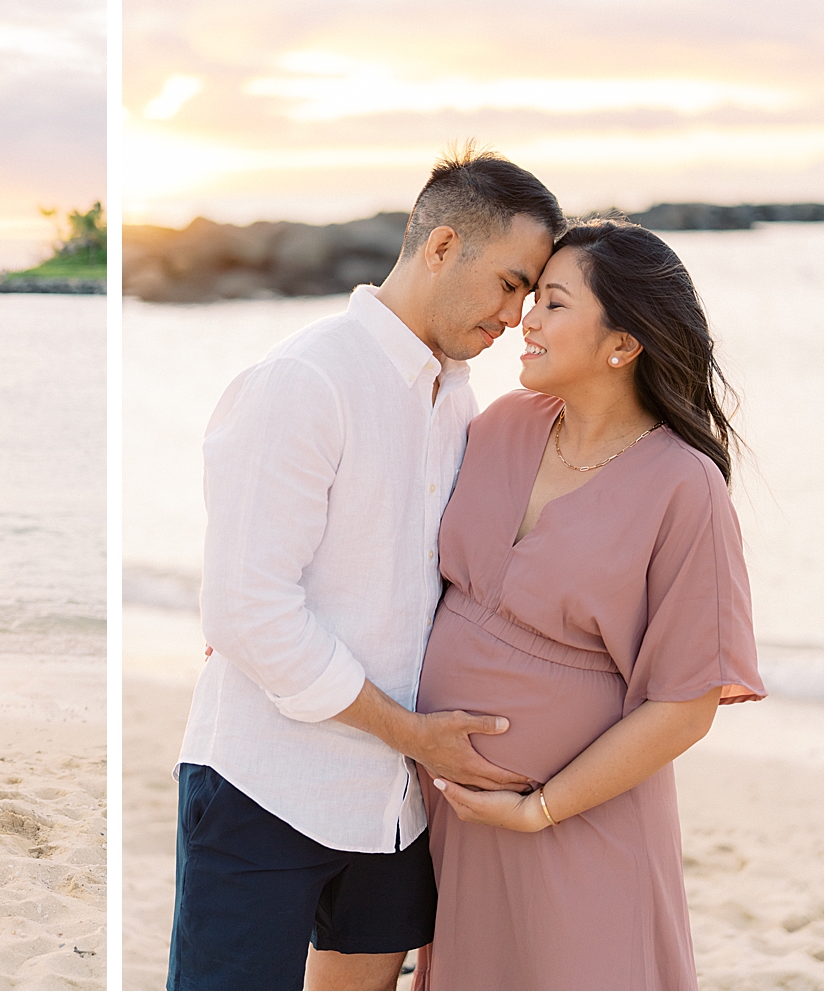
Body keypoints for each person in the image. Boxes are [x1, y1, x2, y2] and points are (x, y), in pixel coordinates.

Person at [167, 148, 566, 991]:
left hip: (392, 803)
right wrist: (410, 733)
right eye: (509, 283)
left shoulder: (457, 395)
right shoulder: (303, 380)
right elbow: (244, 610)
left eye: (532, 297)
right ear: (443, 245)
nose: (515, 316)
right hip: (265, 783)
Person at [412, 220, 765, 990]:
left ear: (622, 344)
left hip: (582, 828)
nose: (524, 321)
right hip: (460, 821)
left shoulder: (684, 487)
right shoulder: (502, 425)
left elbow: (687, 701)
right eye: (531, 298)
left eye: (554, 304)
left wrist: (540, 808)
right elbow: (402, 558)